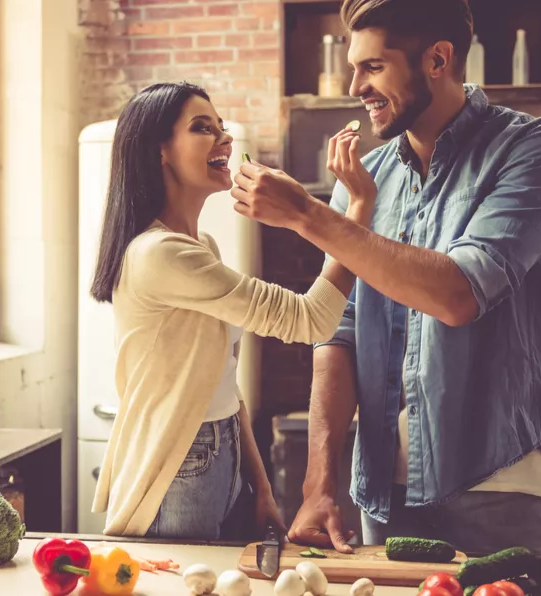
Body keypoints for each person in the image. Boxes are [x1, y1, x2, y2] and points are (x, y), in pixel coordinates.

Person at [232, 0, 541, 555]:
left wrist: (308, 214)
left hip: (500, 483)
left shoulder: (532, 149)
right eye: (354, 67)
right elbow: (338, 335)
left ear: (438, 59)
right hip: (384, 495)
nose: (356, 86)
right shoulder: (361, 184)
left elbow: (458, 293)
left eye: (373, 67)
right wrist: (320, 482)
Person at [89, 82, 375, 540]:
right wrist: (355, 210)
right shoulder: (161, 254)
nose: (224, 139)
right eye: (203, 128)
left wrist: (257, 485)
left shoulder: (200, 247)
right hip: (179, 463)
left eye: (221, 127)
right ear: (159, 150)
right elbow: (311, 319)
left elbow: (221, 382)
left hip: (218, 452)